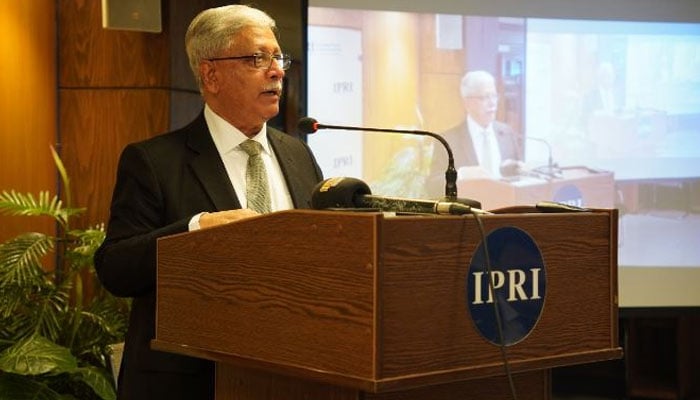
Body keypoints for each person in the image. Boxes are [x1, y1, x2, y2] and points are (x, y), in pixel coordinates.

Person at [94, 5, 323, 400]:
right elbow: (115, 268)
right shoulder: (154, 161)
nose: (277, 71)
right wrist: (195, 231)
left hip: (292, 374)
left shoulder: (298, 155)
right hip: (191, 381)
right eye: (257, 58)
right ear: (211, 74)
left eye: (278, 57)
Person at [427, 70, 521, 197]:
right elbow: (432, 185)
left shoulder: (506, 133)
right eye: (485, 97)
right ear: (467, 103)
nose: (492, 103)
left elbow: (517, 176)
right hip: (470, 214)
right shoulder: (448, 140)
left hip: (506, 211)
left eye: (494, 96)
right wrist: (461, 175)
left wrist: (523, 170)